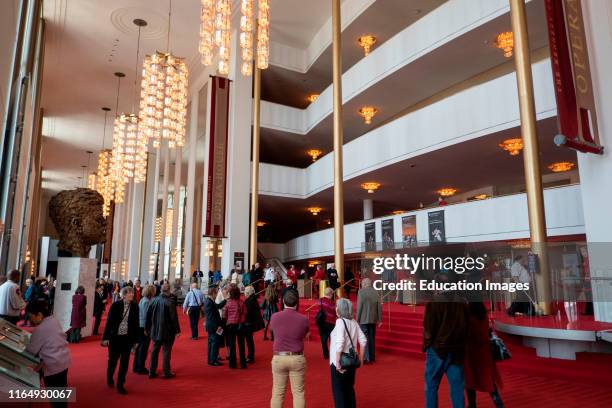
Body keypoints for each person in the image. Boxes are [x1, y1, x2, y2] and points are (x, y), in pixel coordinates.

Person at [423, 274, 469, 408]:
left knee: (431, 385)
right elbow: (466, 327)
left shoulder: (433, 302)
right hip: (457, 350)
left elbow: (428, 329)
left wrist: (426, 345)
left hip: (438, 350)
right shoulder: (462, 301)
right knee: (457, 388)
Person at [26, 299, 71, 408]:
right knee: (61, 394)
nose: (29, 318)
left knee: (56, 399)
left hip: (53, 365)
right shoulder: (53, 320)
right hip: (63, 361)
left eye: (31, 315)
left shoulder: (40, 329)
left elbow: (31, 351)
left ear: (39, 315)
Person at [269, 289, 309, 408]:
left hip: (279, 357)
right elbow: (306, 335)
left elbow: (273, 332)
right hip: (296, 357)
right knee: (298, 394)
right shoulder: (303, 319)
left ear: (283, 302)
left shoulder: (274, 317)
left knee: (277, 393)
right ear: (297, 303)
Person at [464, 302, 504, 408]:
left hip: (471, 351)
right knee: (489, 379)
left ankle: (472, 404)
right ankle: (499, 403)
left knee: (469, 379)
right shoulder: (483, 315)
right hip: (484, 350)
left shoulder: (468, 317)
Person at [330, 298, 367, 408]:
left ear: (339, 309)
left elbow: (340, 342)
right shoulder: (353, 321)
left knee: (339, 392)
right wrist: (360, 358)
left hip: (340, 362)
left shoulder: (340, 321)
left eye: (337, 306)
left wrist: (337, 362)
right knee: (349, 389)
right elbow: (363, 340)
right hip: (351, 361)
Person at [102, 286, 140, 395]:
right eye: (129, 293)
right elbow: (109, 322)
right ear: (123, 295)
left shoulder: (135, 307)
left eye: (132, 293)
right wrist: (105, 338)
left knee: (124, 363)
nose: (132, 295)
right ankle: (110, 377)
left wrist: (136, 340)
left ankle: (120, 384)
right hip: (115, 338)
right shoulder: (115, 305)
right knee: (113, 361)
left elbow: (136, 324)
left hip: (127, 339)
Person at [146, 282, 181, 379]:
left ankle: (151, 371)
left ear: (160, 290)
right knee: (166, 351)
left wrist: (147, 328)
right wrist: (177, 331)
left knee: (154, 350)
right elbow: (174, 318)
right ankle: (166, 372)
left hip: (155, 329)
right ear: (169, 291)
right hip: (167, 331)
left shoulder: (153, 300)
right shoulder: (170, 302)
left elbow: (148, 316)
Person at [356, 278, 382, 364]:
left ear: (364, 284)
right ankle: (372, 357)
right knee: (371, 338)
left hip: (363, 319)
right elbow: (379, 307)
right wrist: (379, 319)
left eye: (362, 283)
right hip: (373, 319)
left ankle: (366, 358)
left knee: (364, 338)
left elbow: (359, 307)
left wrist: (357, 319)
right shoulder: (376, 292)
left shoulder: (361, 292)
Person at [133, 284, 156, 375]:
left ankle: (136, 366)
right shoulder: (146, 301)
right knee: (143, 348)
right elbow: (147, 316)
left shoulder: (143, 300)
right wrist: (147, 329)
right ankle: (140, 367)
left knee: (139, 348)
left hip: (140, 325)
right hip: (144, 327)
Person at [223, 285, 247, 369]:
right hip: (240, 325)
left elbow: (224, 315)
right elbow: (244, 313)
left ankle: (232, 364)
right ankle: (243, 364)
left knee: (232, 345)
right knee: (241, 345)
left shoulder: (228, 303)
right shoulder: (241, 302)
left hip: (230, 325)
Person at [204, 285, 227, 366]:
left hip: (211, 326)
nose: (216, 295)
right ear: (213, 293)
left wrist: (225, 300)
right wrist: (217, 327)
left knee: (211, 343)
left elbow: (218, 306)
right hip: (213, 326)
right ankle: (213, 360)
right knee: (214, 343)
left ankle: (210, 360)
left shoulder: (209, 301)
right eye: (216, 293)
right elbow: (211, 317)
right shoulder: (209, 302)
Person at [244, 285, 265, 363]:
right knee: (249, 341)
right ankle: (250, 355)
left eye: (245, 292)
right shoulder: (252, 299)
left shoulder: (250, 301)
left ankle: (250, 356)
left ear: (248, 293)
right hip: (251, 322)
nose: (244, 293)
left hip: (249, 323)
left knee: (249, 341)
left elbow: (247, 312)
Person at [317, 287, 337, 359]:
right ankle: (332, 353)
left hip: (321, 322)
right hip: (331, 322)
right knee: (332, 339)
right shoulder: (332, 302)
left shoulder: (320, 300)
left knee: (323, 340)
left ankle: (326, 355)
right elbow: (335, 312)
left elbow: (318, 309)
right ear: (331, 294)